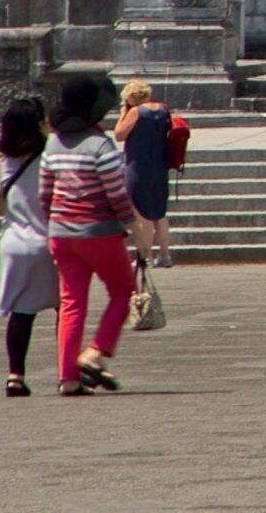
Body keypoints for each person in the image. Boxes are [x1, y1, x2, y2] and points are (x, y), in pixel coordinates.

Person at [39, 72, 139, 394]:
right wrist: (133, 226)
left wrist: (56, 220)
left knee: (71, 303)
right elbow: (117, 194)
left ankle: (67, 377)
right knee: (124, 292)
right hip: (98, 231)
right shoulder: (100, 145)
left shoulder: (53, 144)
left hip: (61, 233)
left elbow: (45, 193)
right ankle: (95, 352)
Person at [0, 96, 54, 396]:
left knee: (21, 313)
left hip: (14, 242)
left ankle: (15, 375)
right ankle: (68, 370)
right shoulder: (51, 158)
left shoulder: (1, 165)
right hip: (49, 239)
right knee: (66, 309)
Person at [113, 79, 180, 269]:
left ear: (131, 97)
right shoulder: (163, 110)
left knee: (142, 214)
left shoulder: (135, 112)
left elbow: (119, 135)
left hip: (138, 167)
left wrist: (122, 114)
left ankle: (146, 255)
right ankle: (165, 255)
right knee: (160, 212)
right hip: (159, 166)